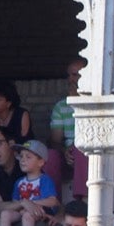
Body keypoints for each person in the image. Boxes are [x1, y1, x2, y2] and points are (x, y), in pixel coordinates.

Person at [0, 140, 59, 226]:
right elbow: (16, 202)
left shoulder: (44, 179)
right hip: (22, 211)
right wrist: (22, 205)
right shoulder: (19, 182)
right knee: (5, 214)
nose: (22, 160)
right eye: (21, 156)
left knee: (27, 215)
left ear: (41, 162)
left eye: (28, 157)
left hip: (40, 212)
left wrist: (31, 203)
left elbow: (52, 200)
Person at [45, 58, 88, 200]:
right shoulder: (61, 106)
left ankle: (80, 202)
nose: (70, 79)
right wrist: (64, 152)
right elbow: (55, 141)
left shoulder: (96, 103)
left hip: (90, 156)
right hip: (67, 154)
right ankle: (53, 204)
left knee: (79, 149)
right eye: (69, 75)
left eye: (75, 75)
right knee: (50, 155)